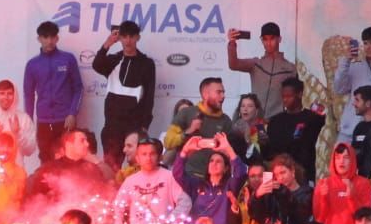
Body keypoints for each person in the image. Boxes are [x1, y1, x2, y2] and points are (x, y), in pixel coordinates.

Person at [92, 20, 157, 165]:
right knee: (111, 165)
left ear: (137, 37)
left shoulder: (146, 63)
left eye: (131, 36)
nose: (128, 40)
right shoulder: (113, 60)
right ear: (120, 38)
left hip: (134, 125)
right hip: (112, 125)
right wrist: (107, 44)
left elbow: (149, 96)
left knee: (137, 166)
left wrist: (145, 125)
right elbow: (96, 65)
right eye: (124, 36)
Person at [25, 20, 84, 162]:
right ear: (39, 39)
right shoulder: (33, 64)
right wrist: (29, 121)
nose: (49, 41)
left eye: (52, 37)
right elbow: (28, 95)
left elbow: (78, 88)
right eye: (45, 37)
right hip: (44, 122)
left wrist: (72, 113)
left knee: (68, 160)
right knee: (46, 161)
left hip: (65, 121)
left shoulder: (68, 59)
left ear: (57, 38)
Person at [112, 138, 191, 224]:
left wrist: (171, 222)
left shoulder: (169, 176)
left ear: (159, 156)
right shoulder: (130, 181)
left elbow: (185, 202)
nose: (148, 158)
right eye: (144, 154)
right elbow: (118, 206)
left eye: (152, 154)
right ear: (137, 158)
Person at [172, 132, 246, 224]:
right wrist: (185, 150)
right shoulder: (197, 185)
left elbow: (241, 173)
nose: (214, 163)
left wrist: (228, 149)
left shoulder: (229, 186)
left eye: (218, 161)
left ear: (226, 168)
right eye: (211, 161)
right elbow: (178, 174)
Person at [313, 142, 371, 224]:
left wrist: (352, 197)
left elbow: (365, 219)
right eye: (338, 157)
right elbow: (319, 219)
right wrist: (323, 198)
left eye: (346, 157)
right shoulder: (323, 184)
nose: (341, 161)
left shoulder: (364, 184)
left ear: (352, 161)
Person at [164, 77, 232, 180]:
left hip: (213, 180)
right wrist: (189, 131)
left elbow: (230, 154)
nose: (223, 96)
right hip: (187, 175)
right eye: (219, 92)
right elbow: (168, 142)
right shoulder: (186, 113)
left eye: (223, 92)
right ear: (205, 94)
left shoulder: (226, 120)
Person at [227, 21, 297, 119]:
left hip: (279, 119)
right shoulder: (255, 64)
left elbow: (295, 95)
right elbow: (233, 64)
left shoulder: (290, 68)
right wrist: (232, 43)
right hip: (256, 120)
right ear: (261, 41)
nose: (268, 43)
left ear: (279, 39)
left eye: (272, 38)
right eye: (265, 39)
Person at [249, 153, 314, 224]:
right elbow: (257, 215)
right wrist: (257, 196)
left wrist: (282, 191)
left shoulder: (306, 193)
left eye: (283, 172)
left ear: (292, 171)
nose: (280, 178)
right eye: (276, 175)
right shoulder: (272, 195)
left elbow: (297, 213)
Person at [263, 78, 324, 180]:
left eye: (289, 96)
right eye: (283, 96)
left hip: (304, 174)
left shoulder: (311, 118)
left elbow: (323, 115)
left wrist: (316, 108)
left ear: (300, 94)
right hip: (279, 174)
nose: (285, 100)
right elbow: (268, 153)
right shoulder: (275, 121)